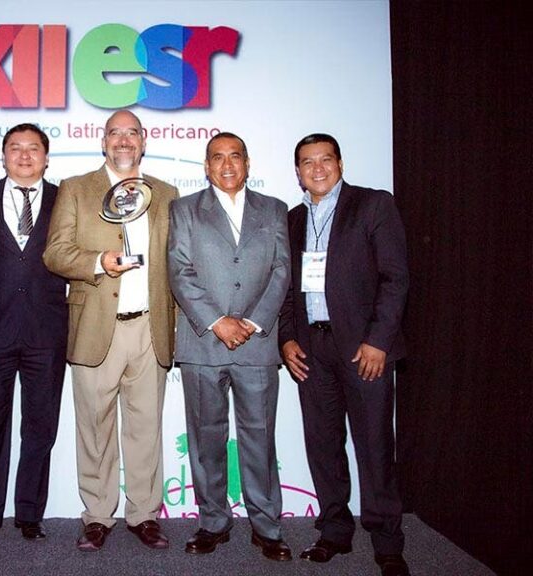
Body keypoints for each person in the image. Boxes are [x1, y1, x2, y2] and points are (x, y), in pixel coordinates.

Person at [43, 110, 177, 551]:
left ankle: (144, 514)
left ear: (144, 141)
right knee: (94, 428)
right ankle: (98, 515)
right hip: (96, 327)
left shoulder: (167, 194)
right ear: (103, 142)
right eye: (114, 133)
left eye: (131, 133)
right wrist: (98, 262)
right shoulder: (76, 188)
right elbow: (55, 253)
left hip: (151, 328)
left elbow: (178, 263)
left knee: (146, 428)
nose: (123, 140)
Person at [278, 134, 410, 576]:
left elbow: (395, 278)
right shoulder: (293, 219)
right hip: (311, 349)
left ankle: (387, 543)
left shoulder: (373, 205)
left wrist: (379, 341)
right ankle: (334, 531)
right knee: (323, 445)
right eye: (307, 162)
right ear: (297, 172)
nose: (317, 168)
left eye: (325, 159)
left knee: (374, 446)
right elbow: (286, 288)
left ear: (340, 163)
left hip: (363, 348)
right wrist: (287, 338)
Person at [168, 132, 292, 561]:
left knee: (260, 437)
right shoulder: (184, 209)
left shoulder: (274, 210)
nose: (226, 165)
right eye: (217, 157)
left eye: (234, 156)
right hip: (203, 341)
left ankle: (267, 527)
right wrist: (218, 322)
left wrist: (253, 322)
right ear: (206, 166)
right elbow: (179, 270)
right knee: (206, 438)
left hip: (258, 343)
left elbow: (281, 270)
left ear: (247, 163)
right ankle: (213, 522)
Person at [0, 124, 67, 548]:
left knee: (40, 429)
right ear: (3, 156)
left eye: (33, 148)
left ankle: (29, 514)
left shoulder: (64, 198)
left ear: (46, 158)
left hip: (47, 332)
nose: (24, 156)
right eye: (15, 148)